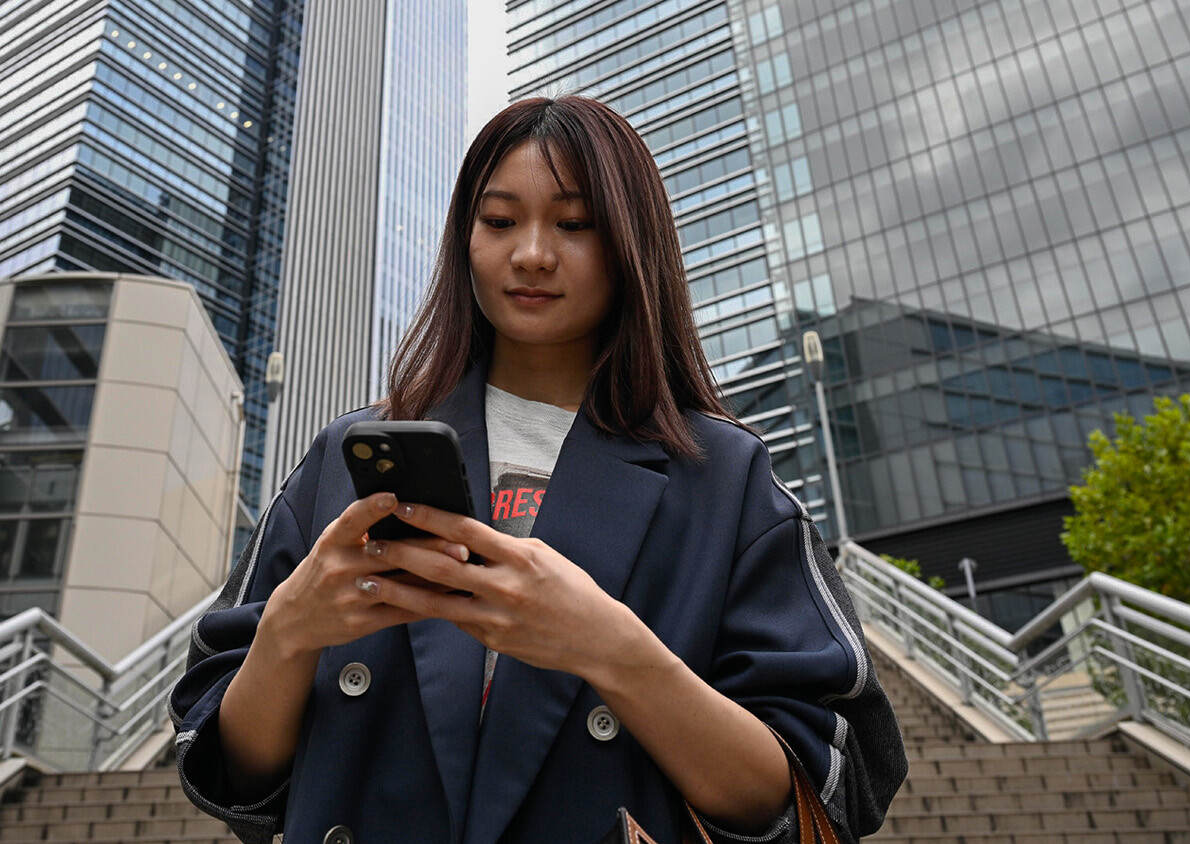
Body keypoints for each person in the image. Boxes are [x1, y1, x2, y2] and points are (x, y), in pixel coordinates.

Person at [170, 96, 906, 844]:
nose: (531, 254)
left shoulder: (723, 478)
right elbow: (229, 769)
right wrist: (289, 634)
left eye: (573, 224)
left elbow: (825, 783)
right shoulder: (347, 456)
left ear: (631, 242)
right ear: (465, 239)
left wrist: (610, 648)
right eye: (498, 221)